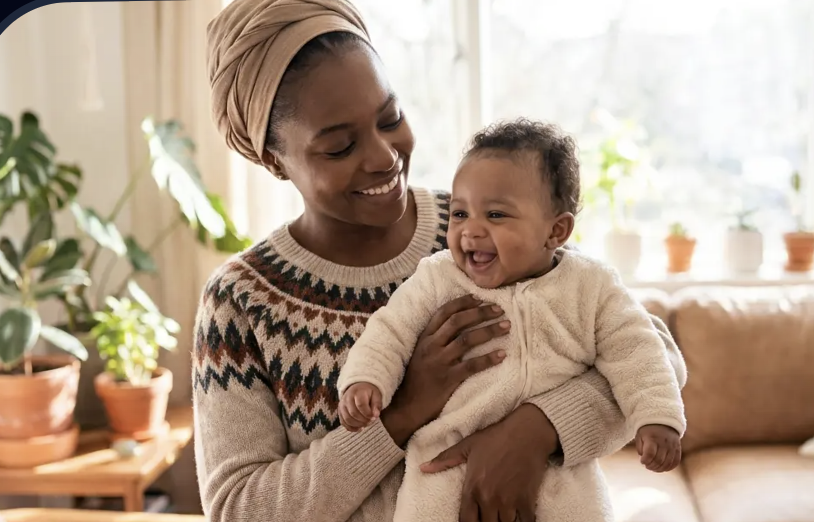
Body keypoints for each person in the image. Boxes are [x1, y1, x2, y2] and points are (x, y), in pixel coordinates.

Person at [196, 0, 686, 520]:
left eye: (391, 118)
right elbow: (237, 509)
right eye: (340, 147)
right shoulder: (242, 301)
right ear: (273, 160)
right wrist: (403, 412)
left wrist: (537, 429)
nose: (384, 156)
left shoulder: (485, 226)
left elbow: (653, 352)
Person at [337, 118, 686, 521]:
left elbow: (637, 349)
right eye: (460, 213)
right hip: (442, 467)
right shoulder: (438, 278)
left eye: (496, 214)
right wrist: (364, 379)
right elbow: (389, 330)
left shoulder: (590, 286)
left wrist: (657, 417)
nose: (471, 230)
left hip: (559, 472)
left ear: (556, 231)